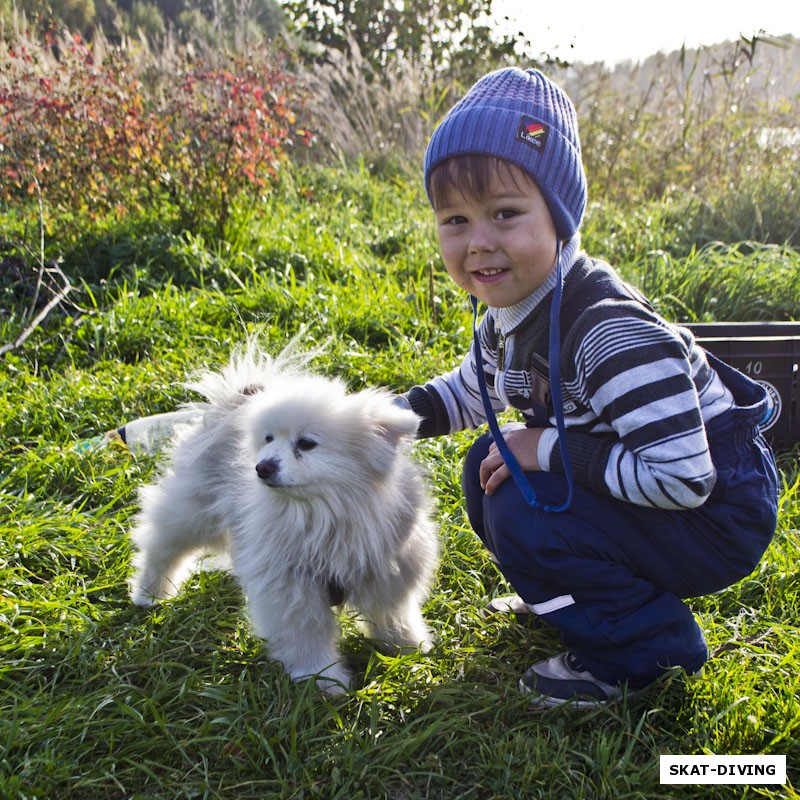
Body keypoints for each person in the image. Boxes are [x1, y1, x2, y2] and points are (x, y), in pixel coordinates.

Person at [400, 66, 779, 709]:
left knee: (524, 504)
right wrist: (370, 417)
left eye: (505, 214)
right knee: (486, 466)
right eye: (456, 220)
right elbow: (474, 391)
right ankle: (575, 593)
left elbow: (685, 479)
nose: (479, 242)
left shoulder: (608, 334)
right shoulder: (512, 310)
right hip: (653, 486)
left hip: (712, 513)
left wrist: (545, 449)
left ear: (561, 219)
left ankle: (649, 651)